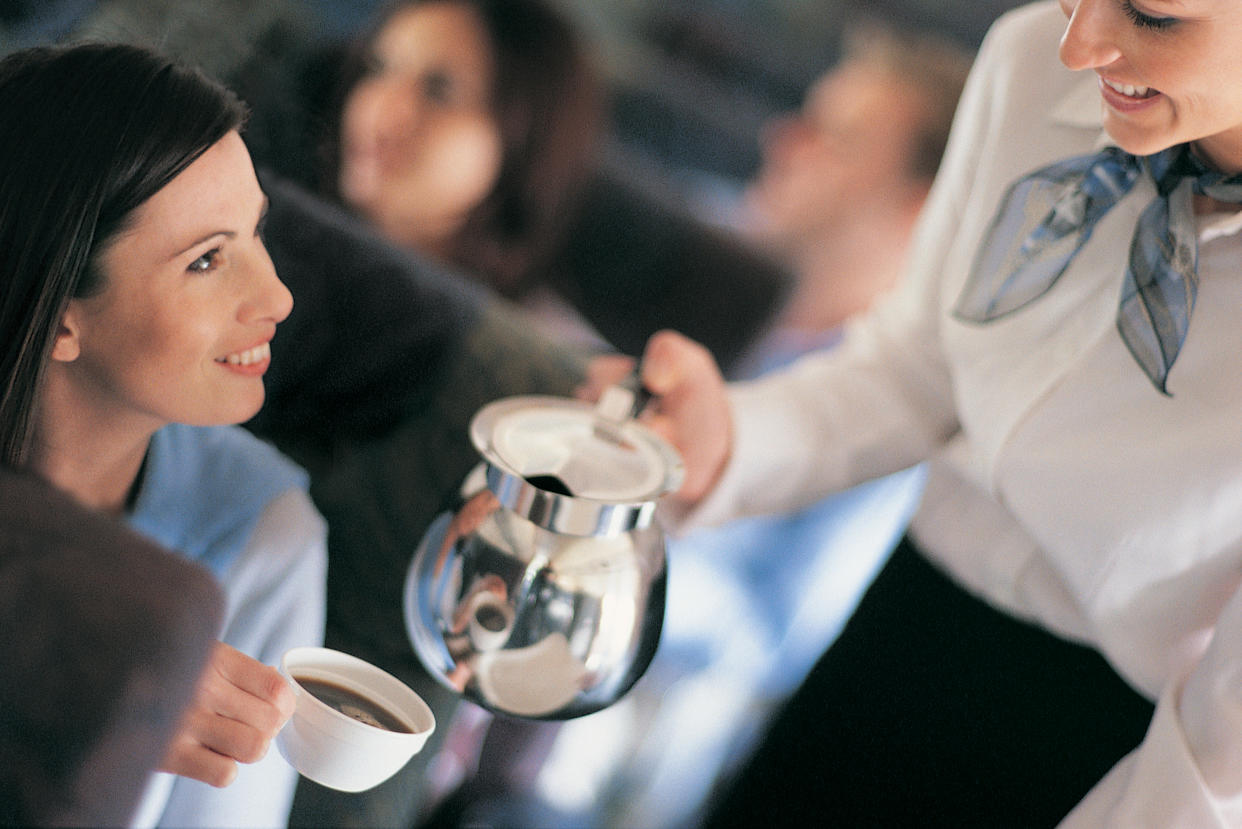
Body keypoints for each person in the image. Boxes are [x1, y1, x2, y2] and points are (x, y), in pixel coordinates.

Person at [588, 0, 1242, 825]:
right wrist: (730, 440)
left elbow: (1223, 754)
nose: (1079, 44)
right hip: (898, 627)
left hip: (1114, 753)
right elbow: (914, 366)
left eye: (1153, 16)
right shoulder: (1029, 56)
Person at [510, 23, 974, 829]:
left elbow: (773, 635)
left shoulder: (908, 425)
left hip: (623, 710)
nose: (781, 137)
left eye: (834, 136)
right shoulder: (696, 237)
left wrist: (619, 537)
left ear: (920, 207)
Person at [0, 42, 327, 828]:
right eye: (208, 260)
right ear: (63, 311)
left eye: (254, 233)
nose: (277, 295)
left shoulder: (263, 535)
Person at [319, 0, 606, 343]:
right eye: (378, 68)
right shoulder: (266, 226)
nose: (378, 108)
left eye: (439, 90)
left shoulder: (535, 353)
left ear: (523, 142)